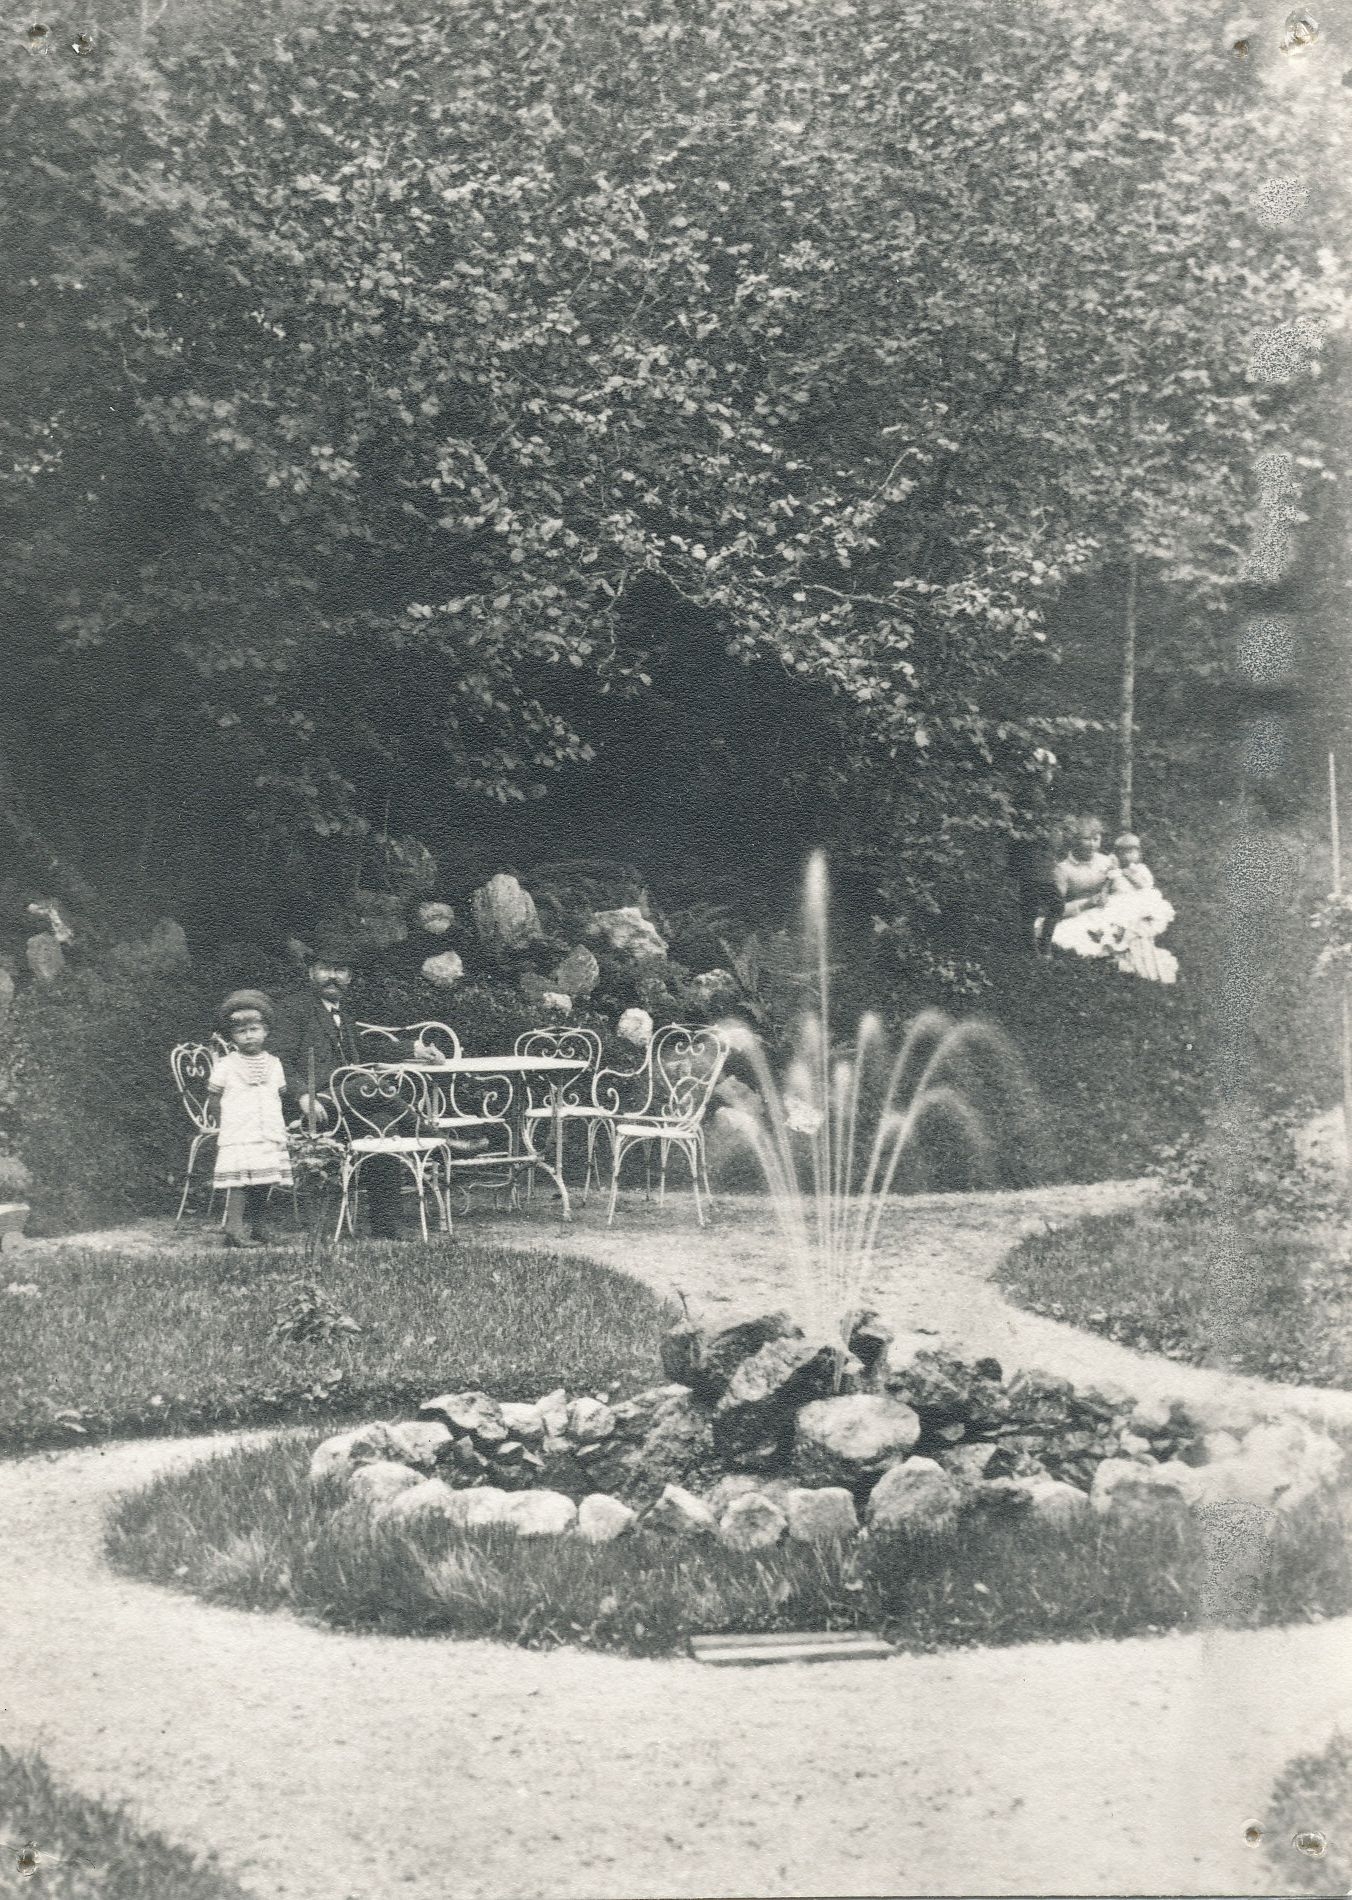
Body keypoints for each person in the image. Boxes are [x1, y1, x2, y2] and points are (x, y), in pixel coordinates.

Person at [270, 927, 441, 1239]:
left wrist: (413, 1049)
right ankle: (435, 1137)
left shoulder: (341, 1014)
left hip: (345, 1106)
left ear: (349, 977)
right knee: (373, 1086)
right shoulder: (294, 1009)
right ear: (311, 973)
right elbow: (277, 1059)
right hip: (312, 1109)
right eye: (325, 969)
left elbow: (364, 1049)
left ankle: (385, 1225)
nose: (332, 977)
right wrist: (303, 1095)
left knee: (384, 1124)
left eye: (340, 970)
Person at [208, 990, 293, 1249]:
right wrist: (223, 1124)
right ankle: (233, 1227)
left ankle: (258, 1226)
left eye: (254, 1029)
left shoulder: (274, 1064)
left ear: (265, 1031)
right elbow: (214, 1098)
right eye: (241, 1032)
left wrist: (281, 1125)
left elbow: (279, 1096)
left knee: (264, 1180)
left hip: (268, 1131)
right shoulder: (226, 1065)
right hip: (240, 1132)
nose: (249, 1036)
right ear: (232, 1036)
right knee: (240, 1181)